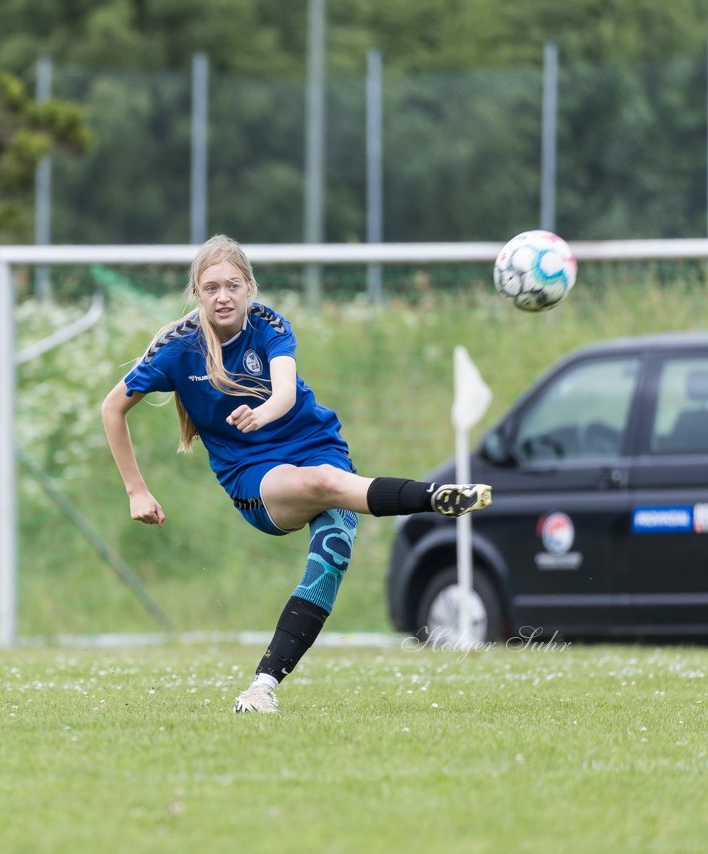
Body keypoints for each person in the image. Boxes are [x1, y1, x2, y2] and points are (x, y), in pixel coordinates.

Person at [100, 235, 491, 713]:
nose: (223, 296)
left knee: (328, 560)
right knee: (322, 484)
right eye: (211, 288)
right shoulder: (178, 348)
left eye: (233, 285)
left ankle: (261, 687)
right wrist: (136, 490)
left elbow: (284, 390)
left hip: (317, 444)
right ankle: (434, 498)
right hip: (252, 474)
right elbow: (112, 408)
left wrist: (262, 414)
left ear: (250, 288)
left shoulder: (269, 325)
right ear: (197, 294)